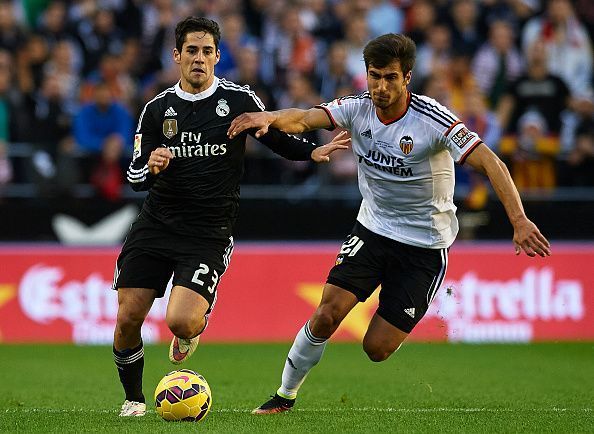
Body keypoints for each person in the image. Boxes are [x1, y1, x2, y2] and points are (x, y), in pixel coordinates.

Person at [227, 33, 551, 414]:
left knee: (376, 349)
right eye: (374, 76)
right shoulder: (356, 107)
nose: (380, 86)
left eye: (390, 78)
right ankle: (284, 395)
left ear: (407, 78)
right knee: (326, 313)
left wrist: (520, 220)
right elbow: (303, 118)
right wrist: (269, 117)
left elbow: (491, 162)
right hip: (373, 229)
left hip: (425, 245)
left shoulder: (434, 120)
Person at [111, 16, 349, 417]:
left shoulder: (238, 100)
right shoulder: (156, 110)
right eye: (191, 51)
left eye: (206, 51)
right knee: (128, 317)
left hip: (208, 231)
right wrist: (151, 165)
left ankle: (196, 325)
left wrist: (311, 152)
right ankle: (133, 399)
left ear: (218, 56)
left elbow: (273, 135)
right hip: (156, 225)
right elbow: (134, 176)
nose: (199, 59)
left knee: (181, 322)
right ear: (177, 56)